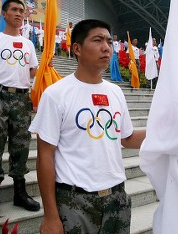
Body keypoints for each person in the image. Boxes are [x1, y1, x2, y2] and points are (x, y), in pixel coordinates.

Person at [30, 19, 146, 234]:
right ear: (77, 49)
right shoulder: (56, 95)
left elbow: (127, 138)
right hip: (75, 203)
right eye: (97, 40)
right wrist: (50, 216)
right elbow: (45, 155)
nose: (106, 47)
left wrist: (170, 133)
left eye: (109, 42)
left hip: (116, 199)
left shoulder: (115, 92)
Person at [0, 0, 40, 218]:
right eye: (14, 9)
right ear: (3, 14)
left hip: (21, 99)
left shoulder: (28, 44)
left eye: (21, 10)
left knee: (21, 145)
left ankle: (20, 193)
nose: (18, 13)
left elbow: (32, 71)